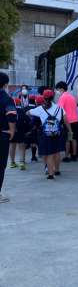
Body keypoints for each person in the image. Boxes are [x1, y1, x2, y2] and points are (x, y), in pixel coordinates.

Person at [29, 89, 71, 179]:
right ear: (53, 97)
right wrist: (70, 130)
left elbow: (28, 112)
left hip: (46, 135)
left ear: (43, 98)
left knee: (49, 154)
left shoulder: (40, 109)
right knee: (57, 152)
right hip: (58, 134)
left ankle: (51, 174)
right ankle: (57, 170)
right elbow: (66, 120)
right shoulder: (60, 108)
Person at [0, 72, 17, 203]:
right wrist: (12, 131)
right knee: (1, 165)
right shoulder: (7, 99)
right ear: (5, 84)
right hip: (2, 134)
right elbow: (11, 116)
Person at [55, 81, 78, 162]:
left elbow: (59, 110)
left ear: (61, 89)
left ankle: (66, 156)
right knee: (74, 138)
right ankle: (74, 155)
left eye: (57, 89)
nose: (57, 91)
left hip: (67, 121)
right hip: (75, 120)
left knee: (67, 139)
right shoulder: (72, 97)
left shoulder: (62, 97)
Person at [9, 97, 30, 170]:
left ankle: (12, 163)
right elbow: (28, 120)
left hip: (12, 130)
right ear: (19, 103)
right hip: (21, 131)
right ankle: (21, 163)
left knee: (12, 146)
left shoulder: (10, 111)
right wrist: (27, 130)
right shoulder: (22, 111)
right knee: (21, 147)